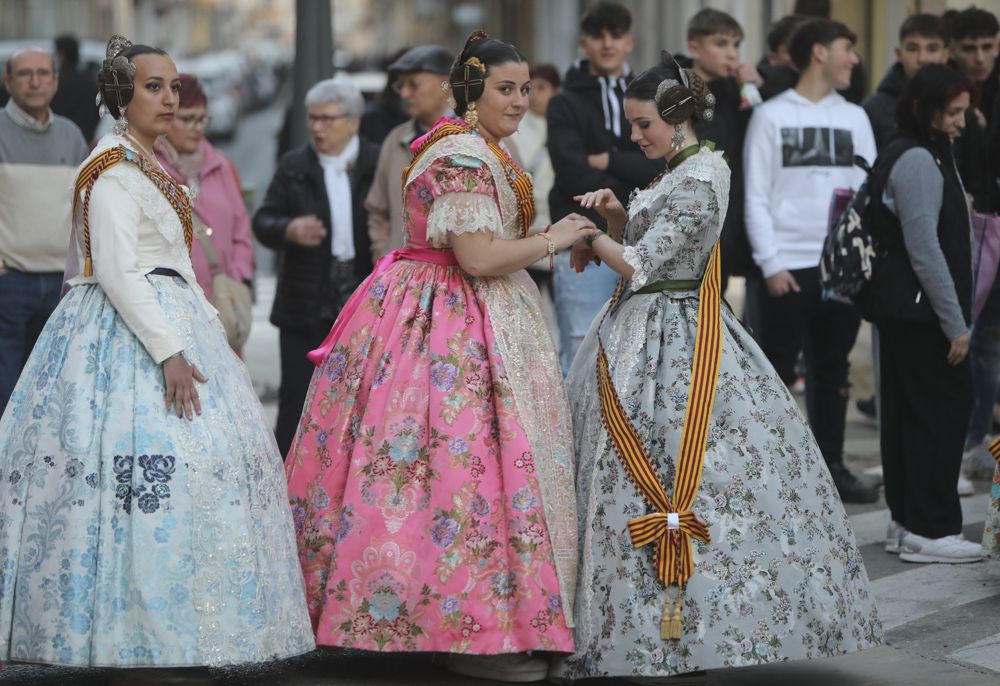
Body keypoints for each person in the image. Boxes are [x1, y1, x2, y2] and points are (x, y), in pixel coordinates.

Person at [551, 52, 880, 684]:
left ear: (676, 120)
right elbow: (646, 246)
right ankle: (630, 622)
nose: (634, 135)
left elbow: (646, 265)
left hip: (678, 335)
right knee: (620, 470)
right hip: (637, 329)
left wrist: (587, 237)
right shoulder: (676, 170)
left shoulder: (703, 175)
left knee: (687, 469)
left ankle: (683, 627)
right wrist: (616, 217)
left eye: (643, 123)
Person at [0, 35, 313, 677]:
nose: (169, 98)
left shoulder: (146, 160)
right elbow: (116, 269)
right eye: (153, 87)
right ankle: (130, 634)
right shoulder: (111, 164)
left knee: (189, 477)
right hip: (127, 334)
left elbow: (173, 263)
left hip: (174, 320)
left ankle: (181, 629)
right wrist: (170, 350)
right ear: (120, 96)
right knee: (131, 484)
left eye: (173, 86)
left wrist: (201, 328)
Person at [284, 31, 592, 682]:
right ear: (471, 93)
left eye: (524, 88)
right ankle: (466, 628)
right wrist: (552, 238)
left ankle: (462, 622)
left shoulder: (474, 147)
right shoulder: (464, 154)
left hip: (445, 308)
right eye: (503, 89)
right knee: (459, 469)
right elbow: (477, 256)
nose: (518, 100)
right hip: (447, 318)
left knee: (443, 475)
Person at [743, 19, 878, 503]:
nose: (854, 60)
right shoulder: (772, 117)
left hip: (839, 269)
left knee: (832, 370)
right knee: (776, 371)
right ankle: (775, 468)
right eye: (848, 49)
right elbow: (756, 196)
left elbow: (868, 195)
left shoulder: (855, 117)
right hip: (786, 266)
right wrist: (771, 263)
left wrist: (859, 264)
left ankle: (831, 466)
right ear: (820, 52)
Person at [857, 63, 982, 563]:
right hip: (924, 314)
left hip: (908, 314)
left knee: (910, 416)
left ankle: (906, 523)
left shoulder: (920, 151)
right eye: (952, 112)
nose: (960, 120)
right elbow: (925, 249)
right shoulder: (915, 160)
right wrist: (956, 324)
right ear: (926, 109)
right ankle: (930, 529)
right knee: (941, 413)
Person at [253, 76, 379, 457]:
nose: (317, 127)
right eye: (312, 119)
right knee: (297, 397)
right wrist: (288, 228)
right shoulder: (295, 165)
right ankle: (286, 481)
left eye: (327, 119)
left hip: (361, 294)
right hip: (304, 298)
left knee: (362, 397)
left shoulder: (375, 162)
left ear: (353, 121)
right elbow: (264, 220)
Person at [547, 1, 664, 374]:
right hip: (585, 241)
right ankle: (576, 434)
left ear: (630, 42)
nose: (608, 44)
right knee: (582, 349)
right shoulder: (564, 103)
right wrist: (632, 169)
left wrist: (607, 159)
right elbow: (573, 177)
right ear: (584, 43)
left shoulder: (651, 97)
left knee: (642, 358)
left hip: (646, 243)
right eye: (598, 36)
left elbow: (661, 167)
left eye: (616, 35)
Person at [0, 46, 88, 416]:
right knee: (5, 392)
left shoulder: (71, 135)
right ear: (8, 82)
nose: (34, 81)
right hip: (10, 282)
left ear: (55, 81)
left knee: (50, 395)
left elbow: (86, 205)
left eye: (43, 73)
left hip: (61, 285)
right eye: (24, 74)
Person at [155, 73, 255, 353]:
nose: (196, 128)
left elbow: (241, 230)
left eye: (202, 119)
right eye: (187, 119)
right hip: (176, 314)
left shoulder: (220, 165)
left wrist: (236, 275)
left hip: (221, 304)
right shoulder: (151, 168)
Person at [684, 8, 761, 333]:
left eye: (735, 45)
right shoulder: (678, 85)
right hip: (691, 209)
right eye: (721, 43)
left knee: (720, 298)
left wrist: (752, 88)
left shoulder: (735, 89)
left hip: (730, 213)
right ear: (695, 47)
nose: (731, 53)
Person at [365, 44, 453, 260]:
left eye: (413, 85)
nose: (404, 94)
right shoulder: (396, 140)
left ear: (447, 85)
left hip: (464, 282)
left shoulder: (481, 138)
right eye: (400, 85)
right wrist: (384, 255)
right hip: (403, 283)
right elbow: (377, 209)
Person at [511, 62, 561, 340]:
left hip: (555, 230)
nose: (536, 95)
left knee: (559, 311)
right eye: (531, 89)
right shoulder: (515, 129)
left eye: (543, 87)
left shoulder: (564, 127)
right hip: (526, 233)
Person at [863, 14, 949, 150]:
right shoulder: (874, 109)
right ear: (899, 54)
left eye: (932, 49)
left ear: (946, 55)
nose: (922, 58)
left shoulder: (959, 107)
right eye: (913, 49)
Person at [50, 33, 101, 143]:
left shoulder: (54, 82)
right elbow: (97, 113)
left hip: (59, 140)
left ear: (62, 54)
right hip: (85, 141)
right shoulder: (90, 82)